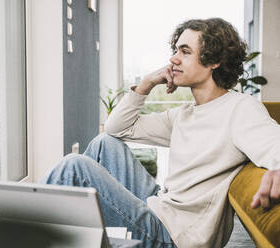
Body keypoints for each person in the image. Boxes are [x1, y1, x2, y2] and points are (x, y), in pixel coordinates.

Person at [41, 18, 280, 248]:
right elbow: (118, 128)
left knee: (75, 166)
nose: (173, 59)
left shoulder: (240, 109)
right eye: (175, 50)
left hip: (174, 236)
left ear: (214, 60)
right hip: (161, 209)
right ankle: (78, 235)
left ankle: (17, 232)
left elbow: (275, 144)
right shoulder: (184, 114)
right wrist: (146, 84)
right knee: (104, 142)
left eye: (185, 52)